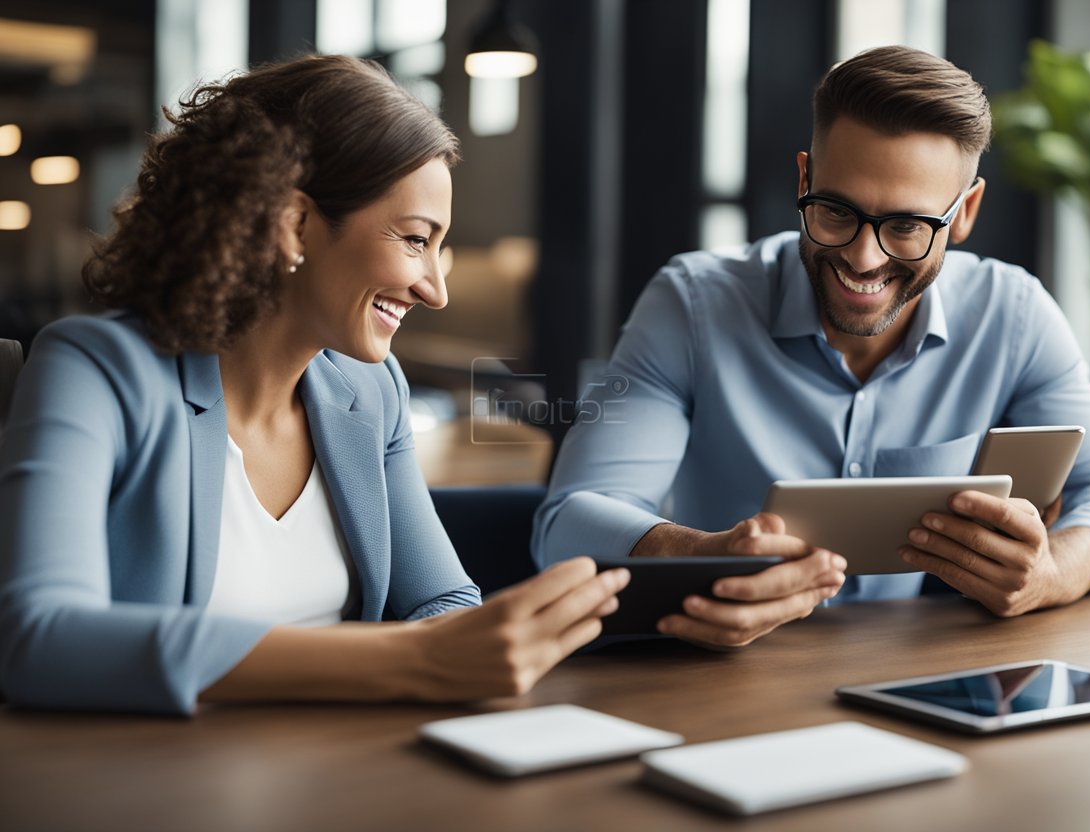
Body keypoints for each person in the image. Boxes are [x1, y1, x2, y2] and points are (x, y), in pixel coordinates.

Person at [0, 55, 629, 715]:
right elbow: (39, 638)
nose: (435, 290)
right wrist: (412, 660)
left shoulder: (371, 387)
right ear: (295, 224)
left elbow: (442, 602)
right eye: (415, 240)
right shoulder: (97, 369)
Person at [532, 46, 1090, 648]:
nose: (864, 258)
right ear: (805, 177)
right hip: (724, 676)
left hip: (916, 673)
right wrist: (700, 558)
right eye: (836, 210)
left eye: (908, 227)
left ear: (964, 213)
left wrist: (1054, 572)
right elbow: (567, 522)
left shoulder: (1014, 312)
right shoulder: (691, 303)